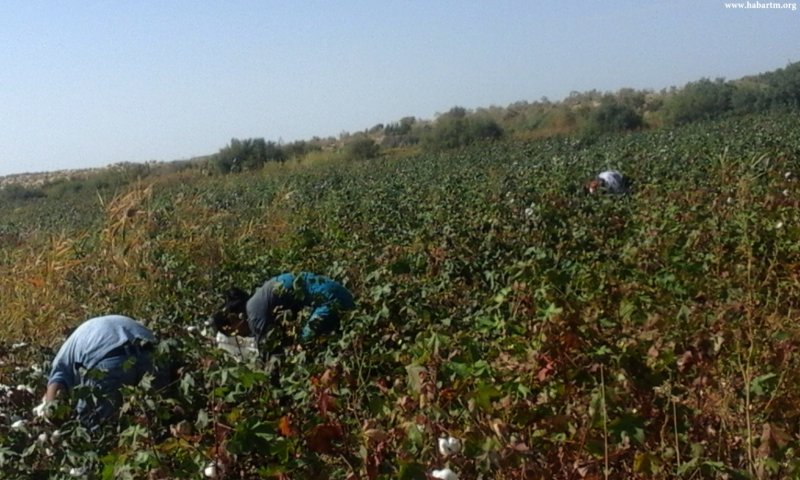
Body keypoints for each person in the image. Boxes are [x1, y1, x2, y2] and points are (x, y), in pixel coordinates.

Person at [36, 315, 159, 427]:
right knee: (158, 416)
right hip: (152, 354)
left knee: (93, 425)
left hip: (109, 362)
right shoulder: (87, 331)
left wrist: (55, 421)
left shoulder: (63, 355)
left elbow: (55, 388)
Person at [212, 272, 355, 347]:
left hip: (330, 301)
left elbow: (268, 349)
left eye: (233, 333)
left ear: (233, 319)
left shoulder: (253, 311)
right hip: (341, 295)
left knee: (304, 345)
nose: (241, 336)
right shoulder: (259, 298)